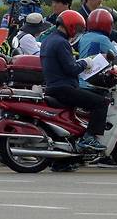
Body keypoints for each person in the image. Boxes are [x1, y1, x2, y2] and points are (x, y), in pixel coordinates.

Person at [40, 10, 108, 159]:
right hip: (64, 89)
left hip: (53, 87)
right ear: (70, 25)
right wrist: (86, 62)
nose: (76, 33)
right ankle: (89, 138)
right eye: (76, 29)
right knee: (101, 102)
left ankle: (63, 160)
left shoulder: (48, 40)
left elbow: (63, 65)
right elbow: (71, 69)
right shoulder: (61, 43)